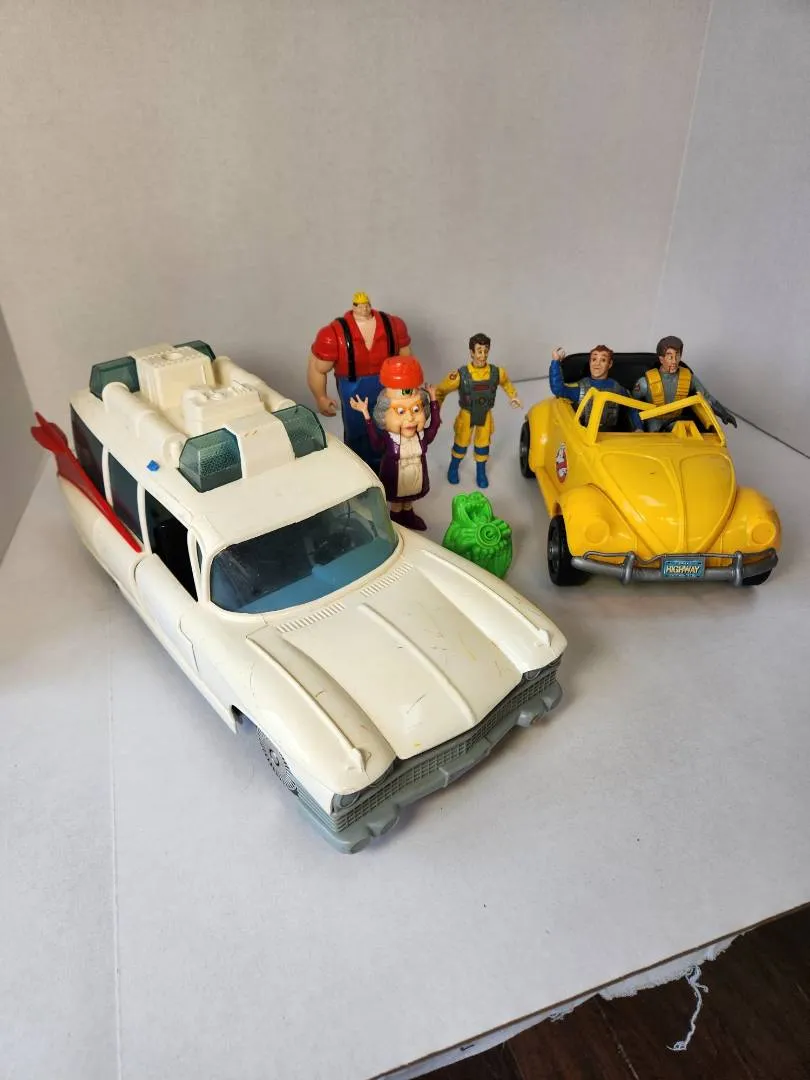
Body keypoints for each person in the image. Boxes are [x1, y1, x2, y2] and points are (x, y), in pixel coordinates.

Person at [307, 292, 411, 471]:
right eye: (359, 305)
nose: (364, 308)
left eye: (366, 304)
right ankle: (360, 469)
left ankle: (388, 467)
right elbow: (317, 368)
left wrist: (409, 389)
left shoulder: (393, 325)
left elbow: (406, 360)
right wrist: (321, 397)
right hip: (352, 388)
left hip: (387, 387)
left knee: (389, 426)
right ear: (353, 306)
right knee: (357, 431)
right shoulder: (334, 333)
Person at [349, 357, 440, 531]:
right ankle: (397, 523)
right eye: (400, 412)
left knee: (409, 501)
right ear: (384, 415)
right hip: (396, 478)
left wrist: (434, 400)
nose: (410, 418)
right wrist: (366, 415)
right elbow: (376, 444)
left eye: (416, 410)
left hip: (416, 478)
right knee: (397, 504)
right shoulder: (389, 439)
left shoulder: (421, 437)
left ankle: (409, 515)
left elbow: (435, 425)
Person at [435, 333, 521, 489]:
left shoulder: (496, 372)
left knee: (483, 445)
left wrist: (513, 396)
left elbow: (506, 383)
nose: (483, 355)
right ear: (472, 352)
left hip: (485, 415)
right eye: (479, 351)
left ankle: (481, 472)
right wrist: (436, 410)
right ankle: (453, 468)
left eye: (486, 351)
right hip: (466, 414)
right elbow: (440, 391)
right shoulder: (460, 375)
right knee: (461, 443)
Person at [632, 336, 737, 432]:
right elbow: (631, 405)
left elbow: (706, 397)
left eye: (677, 356)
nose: (674, 361)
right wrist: (637, 426)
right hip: (654, 421)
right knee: (654, 441)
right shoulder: (645, 383)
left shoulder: (688, 378)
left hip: (676, 420)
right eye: (670, 357)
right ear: (661, 359)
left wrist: (724, 413)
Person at [549, 346, 642, 431]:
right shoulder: (581, 387)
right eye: (594, 359)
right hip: (584, 436)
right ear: (590, 362)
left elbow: (632, 406)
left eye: (603, 360)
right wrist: (555, 363)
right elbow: (559, 389)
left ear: (609, 364)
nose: (597, 363)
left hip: (611, 437)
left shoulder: (616, 388)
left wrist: (638, 428)